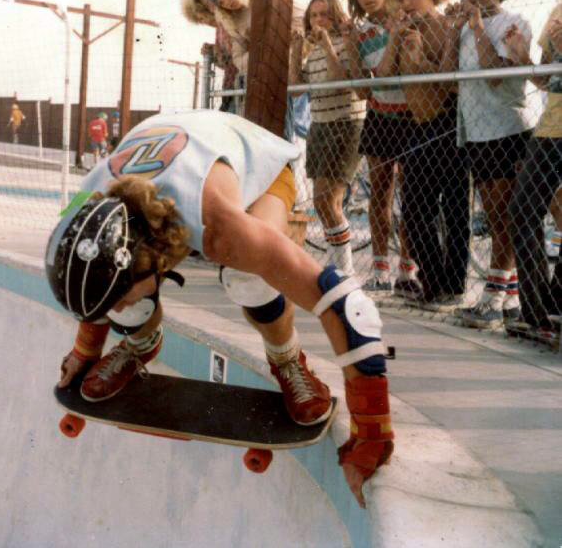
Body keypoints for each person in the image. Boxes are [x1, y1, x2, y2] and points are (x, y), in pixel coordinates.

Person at [48, 110, 395, 508]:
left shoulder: (222, 228)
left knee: (248, 277)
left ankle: (287, 360)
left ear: (156, 254)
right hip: (189, 147)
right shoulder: (75, 217)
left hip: (259, 168)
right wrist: (85, 350)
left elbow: (351, 310)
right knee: (113, 290)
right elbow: (87, 276)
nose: (113, 312)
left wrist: (372, 431)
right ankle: (141, 344)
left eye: (120, 301)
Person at [443, 0, 537, 329]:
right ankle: (508, 297)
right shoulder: (465, 26)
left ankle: (493, 297)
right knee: (495, 214)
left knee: (503, 218)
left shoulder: (514, 22)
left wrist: (479, 27)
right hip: (475, 130)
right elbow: (448, 74)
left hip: (506, 128)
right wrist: (455, 28)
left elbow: (496, 75)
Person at [378, 0, 471, 312]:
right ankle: (433, 282)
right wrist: (395, 39)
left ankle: (453, 286)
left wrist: (420, 62)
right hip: (417, 126)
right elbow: (385, 76)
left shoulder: (448, 27)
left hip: (448, 123)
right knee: (415, 212)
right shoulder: (405, 30)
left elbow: (451, 82)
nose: (406, 3)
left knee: (455, 209)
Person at [343, 0, 421, 297]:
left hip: (411, 116)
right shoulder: (360, 33)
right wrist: (349, 44)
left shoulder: (405, 20)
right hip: (379, 116)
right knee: (380, 194)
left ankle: (408, 269)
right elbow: (362, 90)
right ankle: (379, 268)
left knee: (413, 195)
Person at [501, 0, 562, 346]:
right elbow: (548, 80)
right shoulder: (558, 10)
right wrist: (525, 56)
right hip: (552, 126)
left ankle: (553, 306)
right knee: (522, 210)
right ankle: (540, 313)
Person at [290, 0, 366, 277]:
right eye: (314, 15)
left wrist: (329, 47)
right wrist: (297, 49)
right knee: (322, 202)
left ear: (336, 15)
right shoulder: (312, 49)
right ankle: (338, 264)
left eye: (325, 14)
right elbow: (296, 87)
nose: (319, 20)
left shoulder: (345, 43)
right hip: (320, 124)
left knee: (327, 198)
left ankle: (343, 268)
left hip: (346, 123)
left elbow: (340, 82)